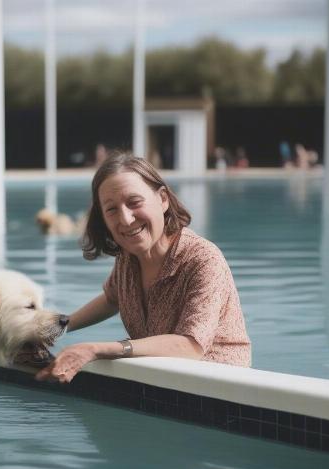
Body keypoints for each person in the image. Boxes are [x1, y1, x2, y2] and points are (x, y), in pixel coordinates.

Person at [36, 151, 251, 384]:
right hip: (162, 385)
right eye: (112, 210)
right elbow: (111, 299)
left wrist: (96, 349)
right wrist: (56, 329)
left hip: (221, 389)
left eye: (134, 202)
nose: (126, 219)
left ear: (163, 199)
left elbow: (190, 346)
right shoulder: (129, 256)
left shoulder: (203, 259)